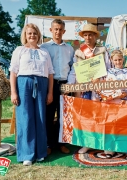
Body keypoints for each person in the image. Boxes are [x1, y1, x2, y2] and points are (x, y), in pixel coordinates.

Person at [9, 23, 54, 166]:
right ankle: (27, 154)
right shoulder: (19, 50)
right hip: (24, 83)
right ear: (25, 35)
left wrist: (50, 92)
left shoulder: (44, 52)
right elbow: (13, 72)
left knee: (40, 117)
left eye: (34, 33)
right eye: (29, 33)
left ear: (38, 35)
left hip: (42, 83)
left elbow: (51, 73)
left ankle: (40, 152)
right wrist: (14, 92)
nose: (32, 36)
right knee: (25, 118)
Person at [67, 23, 111, 154]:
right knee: (86, 117)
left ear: (95, 36)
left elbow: (108, 69)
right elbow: (74, 71)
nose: (88, 37)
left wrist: (101, 79)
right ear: (83, 37)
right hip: (85, 88)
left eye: (90, 35)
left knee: (102, 117)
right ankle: (88, 143)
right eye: (85, 35)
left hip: (99, 88)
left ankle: (105, 144)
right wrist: (70, 85)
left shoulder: (102, 50)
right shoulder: (79, 52)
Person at [41, 19, 74, 155]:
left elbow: (73, 68)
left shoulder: (70, 48)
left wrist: (69, 85)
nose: (58, 32)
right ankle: (49, 144)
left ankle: (62, 144)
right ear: (51, 30)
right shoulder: (44, 47)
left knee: (64, 116)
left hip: (65, 85)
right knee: (48, 115)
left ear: (64, 31)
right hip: (50, 85)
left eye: (60, 29)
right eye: (55, 29)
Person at [95, 49, 127, 158]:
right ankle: (109, 149)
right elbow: (101, 87)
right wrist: (103, 96)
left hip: (122, 102)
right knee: (110, 125)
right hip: (110, 103)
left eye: (120, 59)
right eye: (115, 60)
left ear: (123, 59)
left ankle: (121, 147)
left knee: (121, 125)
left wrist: (123, 95)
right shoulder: (107, 72)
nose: (118, 62)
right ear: (111, 60)